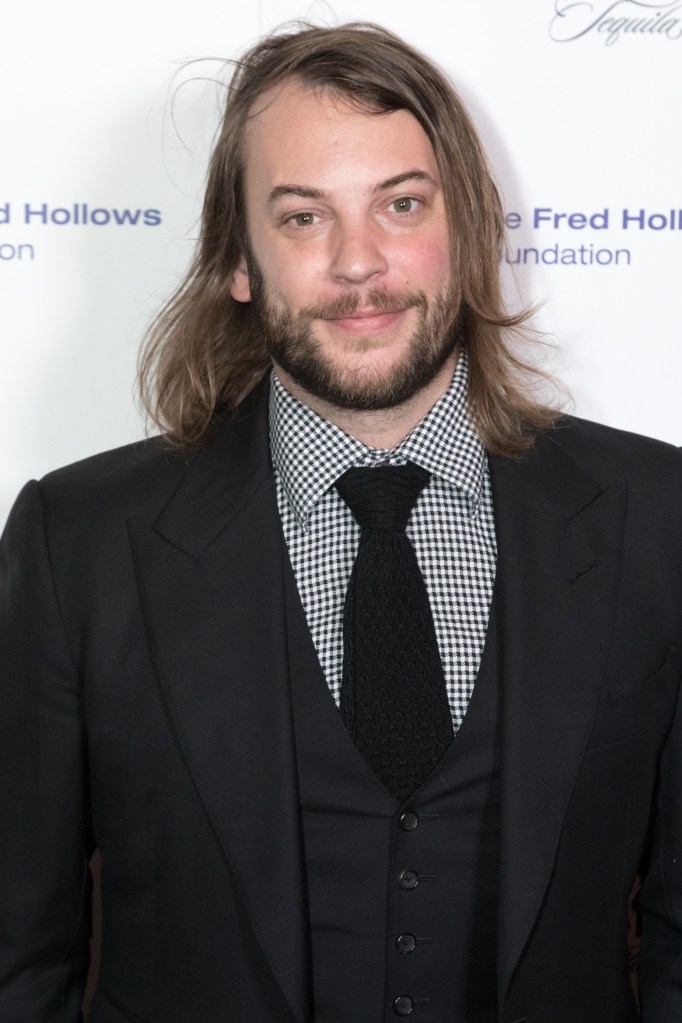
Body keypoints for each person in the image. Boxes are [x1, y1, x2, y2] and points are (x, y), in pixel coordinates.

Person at [0, 22, 680, 1023]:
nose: (361, 265)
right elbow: (18, 956)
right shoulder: (80, 544)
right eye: (304, 218)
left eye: (401, 205)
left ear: (470, 226)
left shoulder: (654, 520)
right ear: (238, 261)